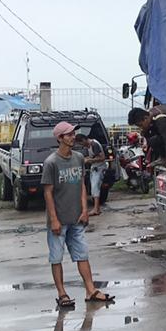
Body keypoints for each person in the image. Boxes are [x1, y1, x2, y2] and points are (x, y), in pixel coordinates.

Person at [43, 121, 115, 310]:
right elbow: (48, 193)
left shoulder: (78, 158)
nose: (72, 137)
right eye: (68, 134)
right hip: (59, 220)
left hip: (76, 218)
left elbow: (82, 185)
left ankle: (90, 290)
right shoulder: (51, 163)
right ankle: (62, 293)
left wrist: (85, 209)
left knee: (82, 255)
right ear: (60, 138)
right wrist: (54, 219)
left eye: (73, 133)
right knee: (56, 257)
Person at [75, 133, 108, 216]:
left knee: (95, 187)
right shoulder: (89, 146)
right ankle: (96, 208)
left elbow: (102, 157)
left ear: (83, 140)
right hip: (94, 167)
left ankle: (96, 209)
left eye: (80, 143)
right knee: (93, 187)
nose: (81, 145)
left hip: (99, 167)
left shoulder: (94, 144)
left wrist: (89, 160)